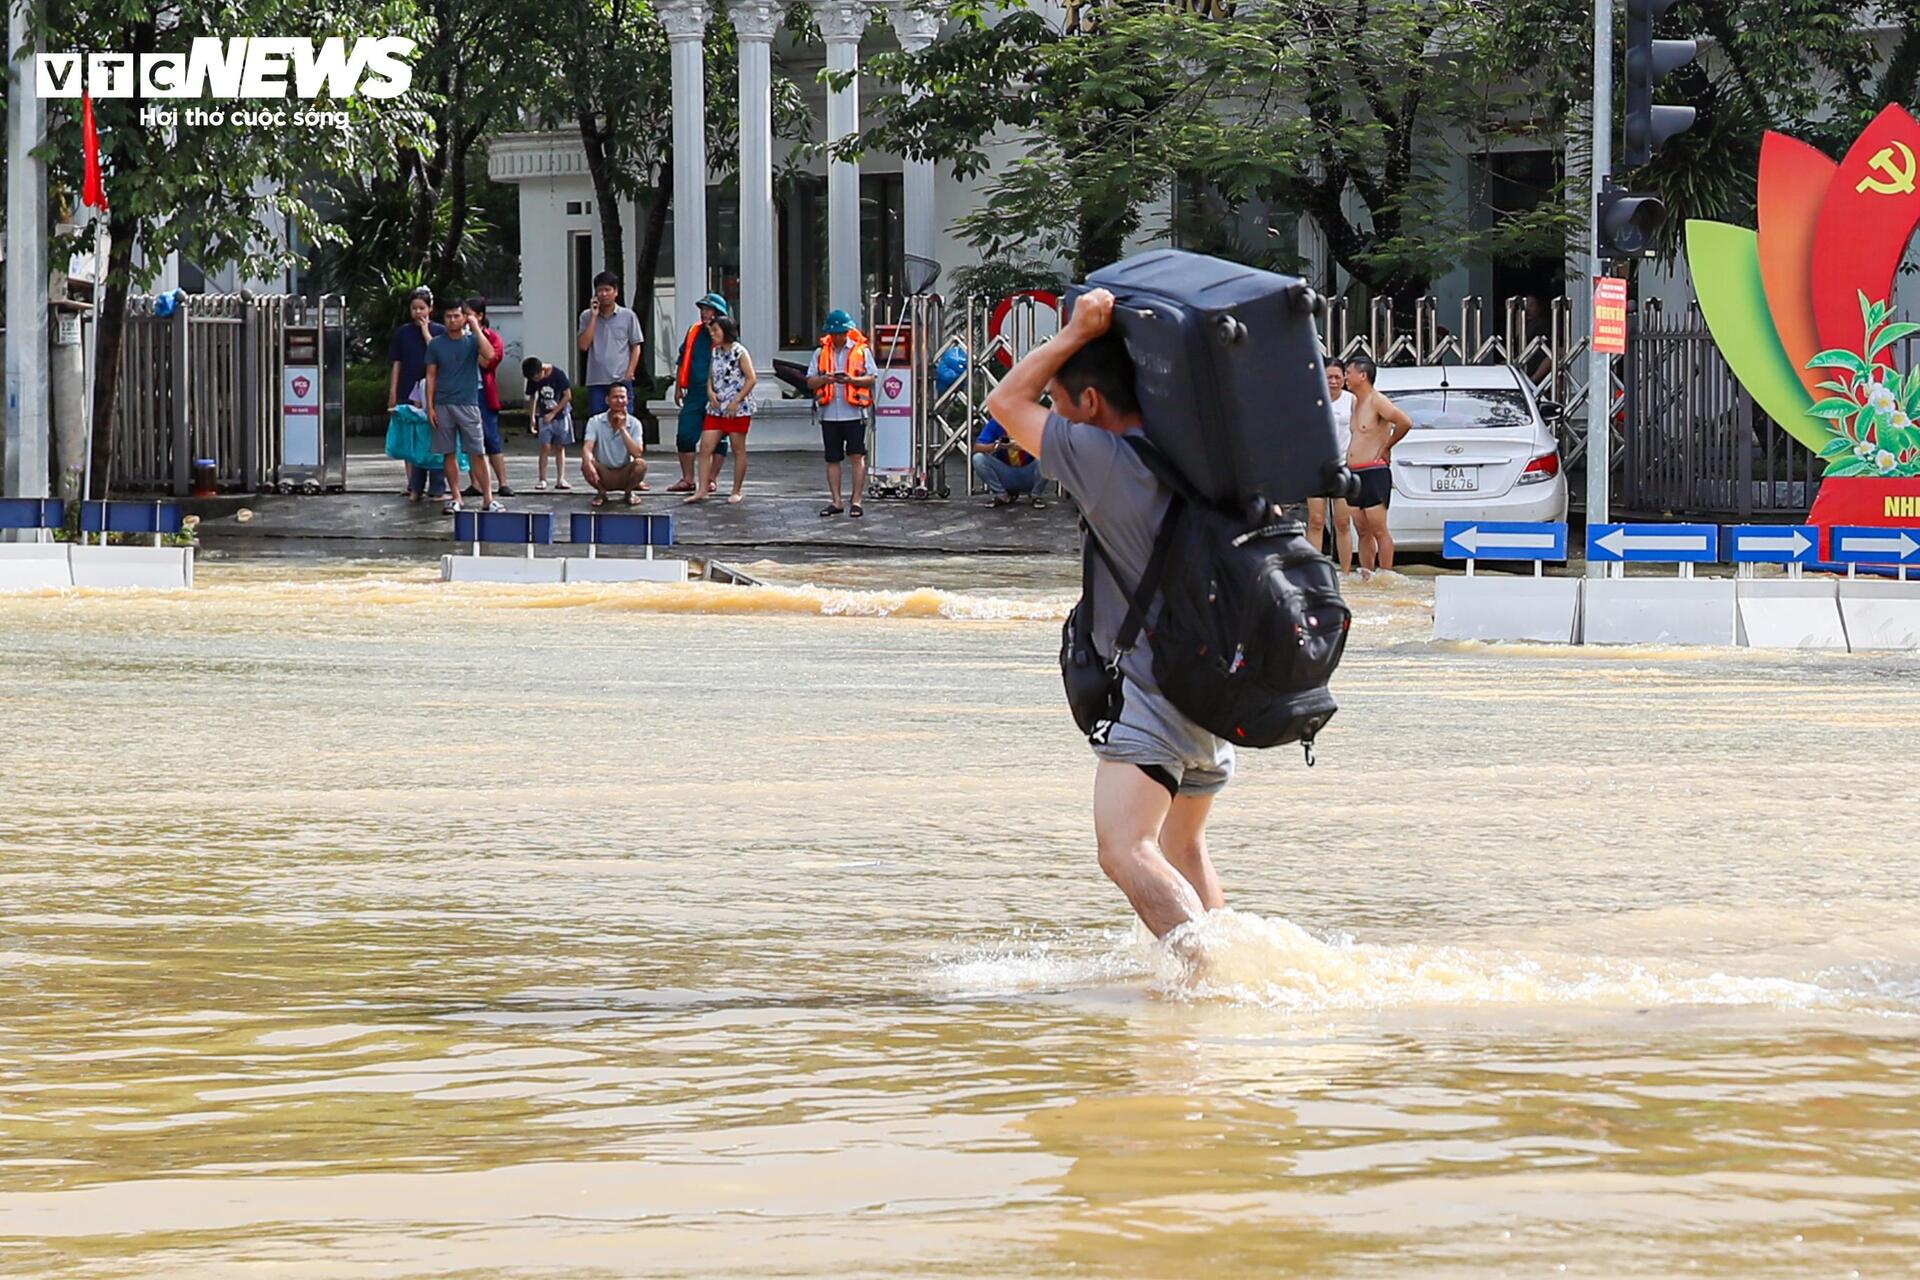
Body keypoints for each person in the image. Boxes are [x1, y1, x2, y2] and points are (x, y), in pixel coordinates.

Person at [984, 288, 1230, 941]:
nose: (1055, 416)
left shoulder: (1103, 457)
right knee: (1183, 849)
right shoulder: (1197, 456)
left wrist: (1074, 332)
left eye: (1061, 403)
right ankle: (1233, 989)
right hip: (1215, 688)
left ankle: (1211, 982)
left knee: (1124, 850)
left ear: (1089, 402)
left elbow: (1004, 404)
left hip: (1154, 694)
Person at [423, 300, 499, 515]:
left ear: (464, 317)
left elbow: (490, 354)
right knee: (448, 453)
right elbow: (431, 375)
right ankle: (456, 497)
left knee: (477, 452)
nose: (452, 320)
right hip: (443, 403)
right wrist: (430, 407)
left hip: (468, 403)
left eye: (457, 316)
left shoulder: (473, 340)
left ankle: (488, 498)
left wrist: (475, 326)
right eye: (448, 316)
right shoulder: (436, 344)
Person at [1344, 355, 1413, 576]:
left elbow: (1405, 421)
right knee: (1361, 529)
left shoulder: (1377, 400)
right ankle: (1366, 573)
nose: (1346, 377)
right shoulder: (1356, 403)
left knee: (1378, 529)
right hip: (1355, 472)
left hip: (1374, 471)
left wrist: (1387, 446)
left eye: (1349, 372)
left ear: (1362, 376)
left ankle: (1386, 574)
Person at [808, 309, 874, 519]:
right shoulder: (820, 353)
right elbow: (810, 381)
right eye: (835, 333)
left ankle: (856, 500)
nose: (839, 337)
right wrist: (824, 379)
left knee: (857, 455)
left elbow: (872, 377)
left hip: (854, 413)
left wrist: (852, 380)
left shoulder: (861, 351)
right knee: (832, 458)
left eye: (842, 333)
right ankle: (836, 500)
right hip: (829, 414)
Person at [386, 287, 448, 502]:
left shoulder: (440, 331)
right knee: (410, 436)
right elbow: (397, 363)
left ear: (430, 309)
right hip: (408, 389)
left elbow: (439, 354)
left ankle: (437, 485)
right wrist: (393, 391)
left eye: (422, 308)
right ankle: (412, 483)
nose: (418, 313)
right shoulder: (402, 333)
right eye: (414, 309)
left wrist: (425, 332)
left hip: (434, 392)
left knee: (432, 437)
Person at [688, 315, 757, 505]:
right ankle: (702, 488)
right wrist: (710, 392)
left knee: (738, 449)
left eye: (716, 331)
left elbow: (751, 378)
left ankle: (736, 490)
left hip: (737, 408)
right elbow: (711, 375)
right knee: (705, 447)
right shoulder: (715, 352)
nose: (713, 334)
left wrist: (736, 400)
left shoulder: (740, 352)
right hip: (716, 408)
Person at [672, 292, 731, 493]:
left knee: (718, 438)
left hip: (719, 394)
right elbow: (682, 358)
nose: (704, 314)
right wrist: (678, 386)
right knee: (685, 435)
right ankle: (688, 478)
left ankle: (711, 479)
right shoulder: (694, 332)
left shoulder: (726, 334)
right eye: (703, 310)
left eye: (708, 310)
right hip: (695, 392)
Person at [1305, 361, 1357, 571]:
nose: (1333, 382)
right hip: (1316, 467)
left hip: (1343, 466)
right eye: (1329, 377)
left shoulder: (1351, 400)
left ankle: (1345, 573)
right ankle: (1314, 572)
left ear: (1345, 378)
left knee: (1343, 523)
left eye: (1337, 377)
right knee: (1316, 520)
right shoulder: (1311, 400)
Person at [577, 270, 645, 419]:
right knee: (598, 424)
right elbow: (583, 345)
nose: (603, 294)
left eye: (607, 290)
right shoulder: (586, 316)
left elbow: (636, 346)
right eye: (600, 290)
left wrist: (630, 373)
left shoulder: (628, 316)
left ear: (616, 292)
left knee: (624, 422)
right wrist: (594, 317)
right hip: (596, 380)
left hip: (621, 379)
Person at [464, 297, 514, 498]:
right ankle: (475, 483)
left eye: (468, 314)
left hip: (484, 392)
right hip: (464, 393)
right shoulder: (458, 337)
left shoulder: (491, 337)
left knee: (491, 438)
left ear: (480, 316)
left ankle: (503, 482)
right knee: (469, 440)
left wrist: (475, 334)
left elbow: (488, 362)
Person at [581, 383, 648, 507]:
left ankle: (629, 492)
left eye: (622, 397)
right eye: (615, 397)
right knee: (586, 464)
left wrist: (622, 429)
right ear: (607, 400)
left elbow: (637, 453)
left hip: (625, 471)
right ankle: (601, 492)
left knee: (641, 465)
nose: (619, 401)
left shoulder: (635, 423)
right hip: (604, 472)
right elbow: (587, 447)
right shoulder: (595, 421)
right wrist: (588, 462)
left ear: (627, 400)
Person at [522, 355, 574, 492]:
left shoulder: (558, 374)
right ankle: (542, 479)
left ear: (542, 371)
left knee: (560, 447)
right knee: (545, 446)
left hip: (560, 415)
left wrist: (554, 413)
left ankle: (560, 478)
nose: (536, 381)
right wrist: (532, 417)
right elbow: (533, 397)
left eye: (537, 378)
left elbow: (568, 396)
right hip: (544, 416)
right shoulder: (532, 377)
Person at [971, 416, 1046, 508]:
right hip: (1006, 473)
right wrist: (998, 446)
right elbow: (977, 447)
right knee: (978, 458)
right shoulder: (997, 421)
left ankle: (1036, 494)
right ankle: (1002, 495)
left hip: (1030, 473)